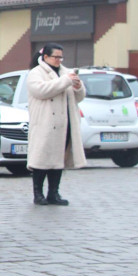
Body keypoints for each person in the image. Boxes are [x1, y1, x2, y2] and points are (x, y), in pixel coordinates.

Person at [27, 43, 86, 206]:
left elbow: (79, 97)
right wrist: (65, 81)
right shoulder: (35, 73)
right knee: (41, 159)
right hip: (44, 123)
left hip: (64, 123)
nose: (59, 60)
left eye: (61, 57)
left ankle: (54, 192)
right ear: (45, 57)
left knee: (58, 159)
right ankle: (37, 193)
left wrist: (78, 86)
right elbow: (43, 91)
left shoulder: (66, 72)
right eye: (55, 57)